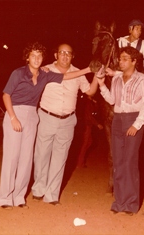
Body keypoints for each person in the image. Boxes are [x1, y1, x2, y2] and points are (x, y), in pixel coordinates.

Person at [0, 42, 94, 210]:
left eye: (39, 56)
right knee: (12, 158)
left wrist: (88, 70)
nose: (36, 59)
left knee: (27, 160)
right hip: (15, 113)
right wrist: (13, 117)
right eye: (33, 56)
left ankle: (19, 197)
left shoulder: (45, 74)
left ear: (43, 58)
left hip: (33, 116)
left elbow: (66, 77)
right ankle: (5, 198)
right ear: (27, 57)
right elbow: (6, 95)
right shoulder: (18, 73)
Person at [31, 43, 100, 205]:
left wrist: (97, 76)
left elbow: (90, 91)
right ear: (56, 55)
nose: (65, 56)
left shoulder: (78, 73)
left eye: (68, 53)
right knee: (41, 155)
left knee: (60, 158)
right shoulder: (45, 69)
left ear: (72, 56)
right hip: (46, 117)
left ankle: (52, 195)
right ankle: (39, 189)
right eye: (61, 53)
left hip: (68, 121)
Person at [97, 46, 144, 215]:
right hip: (117, 120)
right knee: (118, 162)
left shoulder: (142, 79)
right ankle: (119, 202)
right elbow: (112, 100)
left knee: (130, 163)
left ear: (134, 61)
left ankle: (131, 203)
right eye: (120, 58)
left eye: (125, 58)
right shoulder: (117, 80)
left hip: (133, 119)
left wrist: (137, 124)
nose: (121, 61)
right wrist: (101, 84)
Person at [76, 95, 103, 168]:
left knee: (89, 142)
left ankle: (80, 161)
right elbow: (89, 116)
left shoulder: (90, 102)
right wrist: (97, 124)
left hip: (88, 125)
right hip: (86, 125)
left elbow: (95, 111)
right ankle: (80, 163)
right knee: (85, 144)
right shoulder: (87, 102)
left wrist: (95, 102)